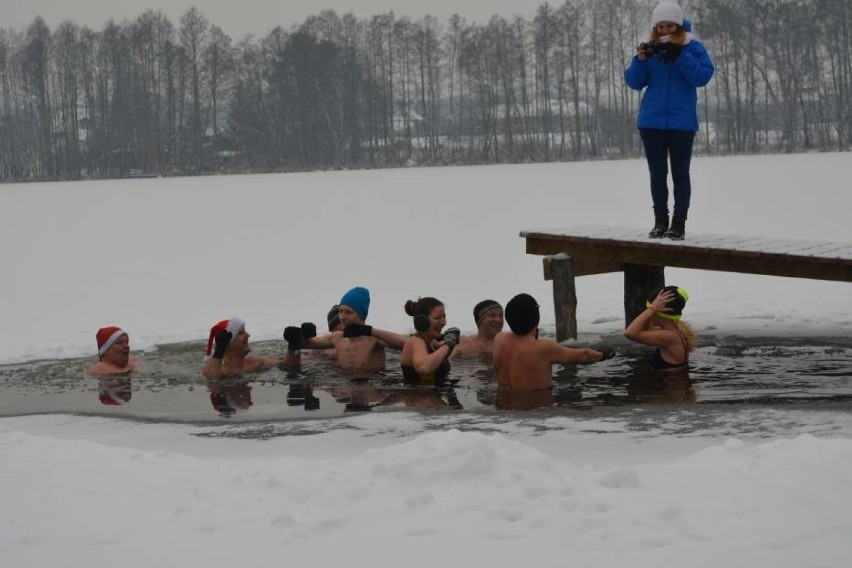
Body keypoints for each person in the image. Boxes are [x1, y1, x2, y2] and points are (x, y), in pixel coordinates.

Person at [624, 2, 714, 240]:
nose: (664, 30)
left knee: (680, 175)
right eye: (660, 26)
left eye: (669, 26)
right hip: (651, 123)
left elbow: (702, 77)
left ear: (678, 25)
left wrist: (681, 56)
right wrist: (640, 60)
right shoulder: (652, 50)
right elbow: (634, 82)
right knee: (657, 175)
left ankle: (679, 223)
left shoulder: (693, 48)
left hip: (681, 123)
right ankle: (660, 221)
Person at [492, 293, 614, 390]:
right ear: (536, 317)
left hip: (504, 404)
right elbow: (584, 356)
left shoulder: (499, 339)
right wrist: (603, 355)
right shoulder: (544, 348)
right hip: (535, 407)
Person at [283, 287, 408, 374]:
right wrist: (299, 335)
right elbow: (305, 344)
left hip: (372, 385)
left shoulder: (374, 338)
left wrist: (370, 331)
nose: (342, 317)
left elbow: (408, 344)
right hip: (347, 387)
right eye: (340, 312)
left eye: (348, 312)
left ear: (361, 315)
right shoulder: (337, 337)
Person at [624, 286, 696, 370]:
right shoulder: (675, 330)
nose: (649, 315)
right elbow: (644, 329)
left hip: (669, 382)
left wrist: (652, 309)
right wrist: (652, 309)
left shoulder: (669, 336)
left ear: (659, 313)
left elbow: (629, 333)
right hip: (671, 379)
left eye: (650, 311)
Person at [400, 296, 460, 383]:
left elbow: (441, 354)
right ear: (421, 321)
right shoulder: (416, 342)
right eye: (437, 318)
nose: (444, 322)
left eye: (444, 316)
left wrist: (450, 339)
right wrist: (448, 344)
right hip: (418, 396)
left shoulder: (431, 342)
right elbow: (424, 368)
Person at [202, 317, 281, 379]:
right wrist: (219, 351)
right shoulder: (221, 369)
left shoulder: (255, 362)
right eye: (241, 333)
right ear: (227, 343)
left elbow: (283, 364)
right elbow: (211, 379)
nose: (248, 335)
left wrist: (292, 347)